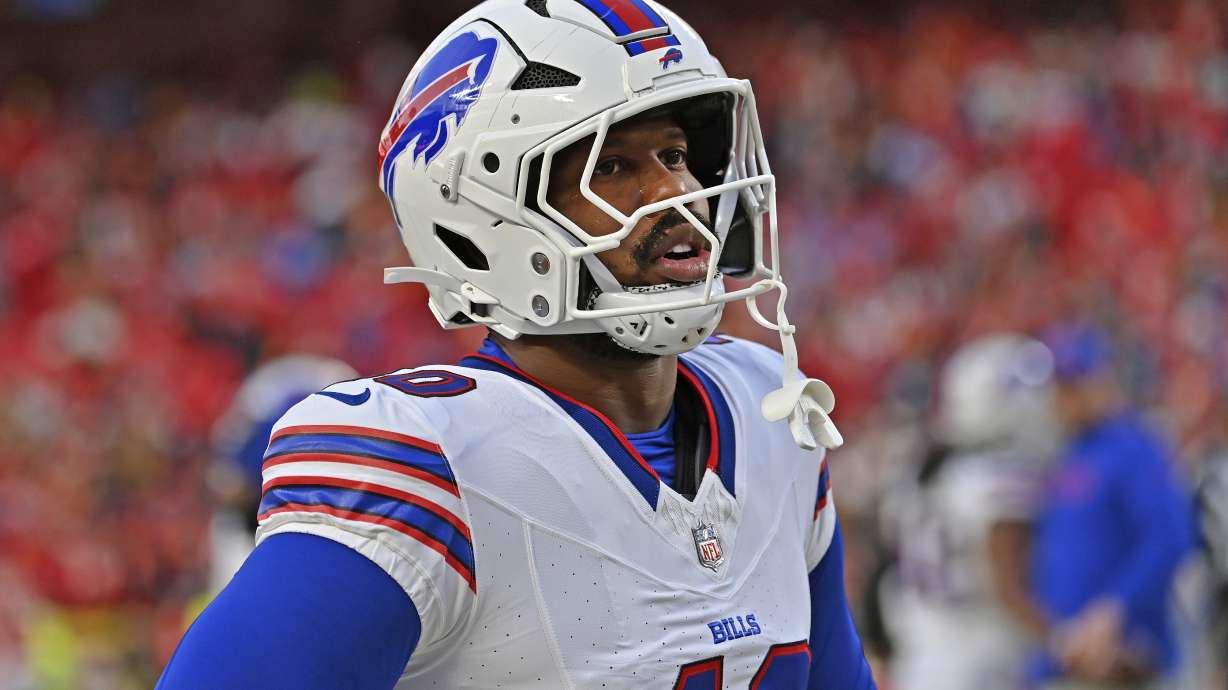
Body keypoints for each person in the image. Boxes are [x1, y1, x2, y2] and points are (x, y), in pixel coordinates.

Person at [156, 1, 875, 688]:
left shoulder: (765, 407)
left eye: (675, 153)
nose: (676, 191)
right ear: (486, 220)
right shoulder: (430, 464)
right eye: (613, 166)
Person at [1025, 325, 1196, 690]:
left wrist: (1115, 607)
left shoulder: (1134, 449)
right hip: (1068, 656)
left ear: (1103, 381)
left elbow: (1171, 538)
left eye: (1075, 384)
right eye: (1059, 386)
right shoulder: (1067, 452)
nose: (1064, 397)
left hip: (1127, 658)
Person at [884, 334, 1056, 690]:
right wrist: (1060, 640)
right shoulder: (1000, 479)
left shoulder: (922, 476)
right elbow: (1007, 587)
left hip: (918, 658)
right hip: (981, 658)